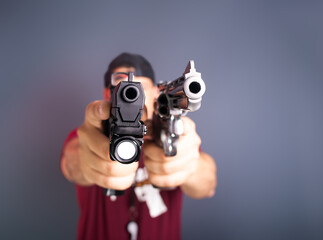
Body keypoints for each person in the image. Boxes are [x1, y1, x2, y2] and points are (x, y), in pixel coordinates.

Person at [60, 53, 217, 240]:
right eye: (124, 90)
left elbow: (208, 185)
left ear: (155, 94)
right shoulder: (90, 135)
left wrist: (191, 166)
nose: (132, 98)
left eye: (138, 90)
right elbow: (71, 164)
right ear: (107, 94)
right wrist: (86, 158)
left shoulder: (177, 138)